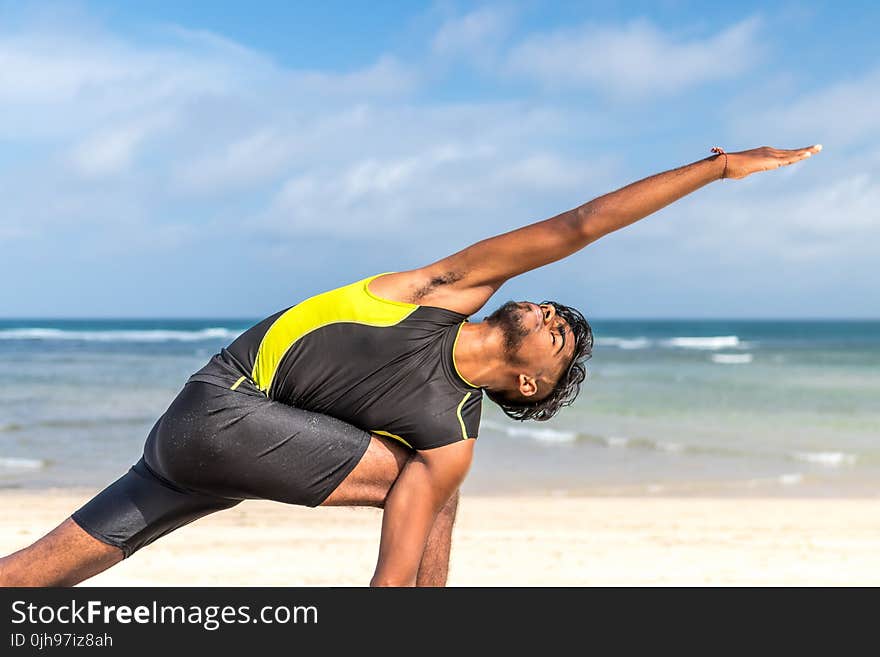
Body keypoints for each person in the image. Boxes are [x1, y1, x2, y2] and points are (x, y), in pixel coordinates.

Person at [0, 144, 820, 587]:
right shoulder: (443, 288)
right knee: (433, 489)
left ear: (528, 383)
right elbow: (580, 222)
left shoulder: (446, 432)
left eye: (561, 332)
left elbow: (393, 570)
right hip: (218, 409)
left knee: (34, 578)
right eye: (557, 309)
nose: (552, 311)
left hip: (203, 451)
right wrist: (714, 169)